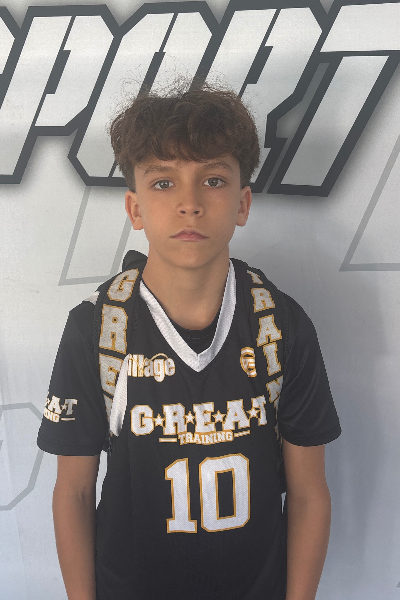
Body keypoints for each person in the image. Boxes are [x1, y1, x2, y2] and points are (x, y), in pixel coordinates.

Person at [37, 85, 341, 600]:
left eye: (213, 180)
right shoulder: (97, 327)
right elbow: (74, 491)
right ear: (135, 207)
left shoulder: (280, 325)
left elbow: (309, 493)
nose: (189, 204)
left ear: (242, 202)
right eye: (163, 182)